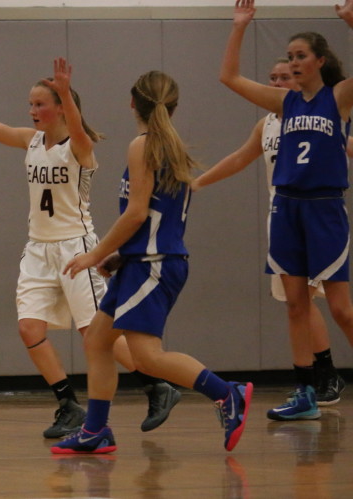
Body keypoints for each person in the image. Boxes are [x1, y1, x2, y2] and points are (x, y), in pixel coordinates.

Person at [0, 47, 180, 439]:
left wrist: (66, 92)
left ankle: (157, 386)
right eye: (30, 104)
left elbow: (80, 130)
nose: (33, 110)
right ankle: (67, 403)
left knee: (94, 333)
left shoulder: (79, 148)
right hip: (38, 249)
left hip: (76, 247)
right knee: (29, 329)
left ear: (61, 109)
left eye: (40, 104)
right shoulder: (31, 142)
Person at [55, 70, 253, 454]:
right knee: (98, 340)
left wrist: (94, 253)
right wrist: (119, 256)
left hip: (155, 263)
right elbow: (154, 217)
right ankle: (96, 430)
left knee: (146, 355)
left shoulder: (143, 144)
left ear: (133, 102)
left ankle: (228, 394)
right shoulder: (168, 144)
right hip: (145, 259)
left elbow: (135, 213)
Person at [220, 0, 353, 421]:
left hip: (325, 207)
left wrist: (352, 20)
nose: (293, 63)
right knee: (296, 304)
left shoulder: (338, 97)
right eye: (290, 56)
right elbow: (228, 77)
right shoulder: (282, 103)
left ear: (320, 61)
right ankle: (305, 393)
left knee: (341, 309)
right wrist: (240, 26)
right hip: (287, 207)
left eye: (300, 56)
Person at [194, 56, 346, 405]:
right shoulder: (267, 125)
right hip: (283, 217)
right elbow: (239, 158)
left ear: (300, 78)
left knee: (328, 305)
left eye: (285, 77)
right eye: (272, 77)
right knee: (298, 303)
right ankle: (323, 376)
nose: (277, 83)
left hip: (319, 214)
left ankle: (324, 375)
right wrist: (198, 182)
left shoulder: (320, 117)